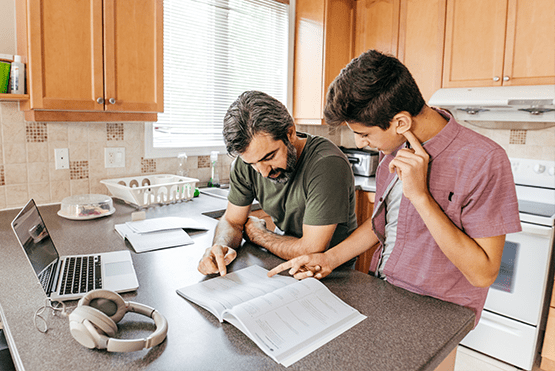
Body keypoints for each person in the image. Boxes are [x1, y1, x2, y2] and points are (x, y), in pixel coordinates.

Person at [268, 50, 522, 325]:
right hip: (383, 291)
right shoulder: (392, 146)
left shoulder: (484, 160)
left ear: (400, 122)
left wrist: (421, 198)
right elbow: (387, 219)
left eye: (364, 134)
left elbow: (483, 274)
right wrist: (328, 258)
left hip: (438, 315)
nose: (362, 143)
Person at [198, 90, 358, 276]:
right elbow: (233, 221)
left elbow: (311, 249)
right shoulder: (247, 164)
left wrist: (258, 235)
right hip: (283, 262)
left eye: (269, 157)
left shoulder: (327, 164)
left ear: (290, 132)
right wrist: (220, 248)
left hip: (333, 275)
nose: (263, 172)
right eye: (253, 164)